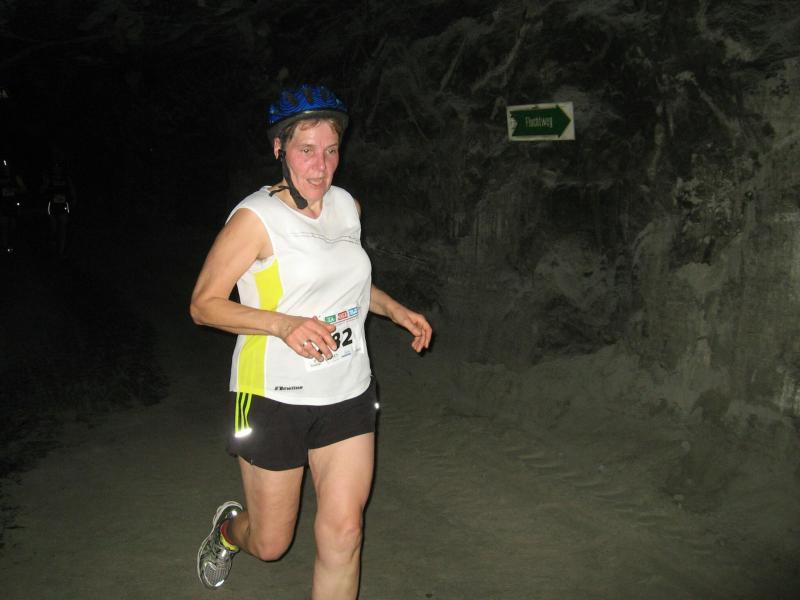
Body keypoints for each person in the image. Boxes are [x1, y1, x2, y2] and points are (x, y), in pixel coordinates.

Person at [190, 83, 433, 599]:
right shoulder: (255, 219)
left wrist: (395, 310)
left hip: (347, 389)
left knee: (345, 532)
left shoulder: (346, 205)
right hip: (271, 395)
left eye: (331, 150)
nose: (321, 166)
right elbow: (204, 305)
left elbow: (347, 283)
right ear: (279, 149)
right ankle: (229, 532)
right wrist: (283, 324)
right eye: (306, 150)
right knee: (271, 542)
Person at [41, 160, 76, 256]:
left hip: (63, 206)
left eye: (59, 167)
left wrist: (73, 200)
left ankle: (61, 252)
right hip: (52, 206)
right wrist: (45, 184)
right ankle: (52, 244)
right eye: (55, 168)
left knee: (63, 228)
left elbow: (72, 190)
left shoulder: (66, 179)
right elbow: (42, 191)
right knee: (53, 228)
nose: (57, 169)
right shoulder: (50, 179)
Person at [0, 158, 26, 254]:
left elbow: (24, 189)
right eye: (4, 167)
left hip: (13, 204)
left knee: (12, 226)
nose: (6, 168)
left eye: (7, 167)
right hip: (3, 204)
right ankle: (5, 246)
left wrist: (15, 190)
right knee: (4, 226)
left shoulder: (15, 177)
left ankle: (12, 245)